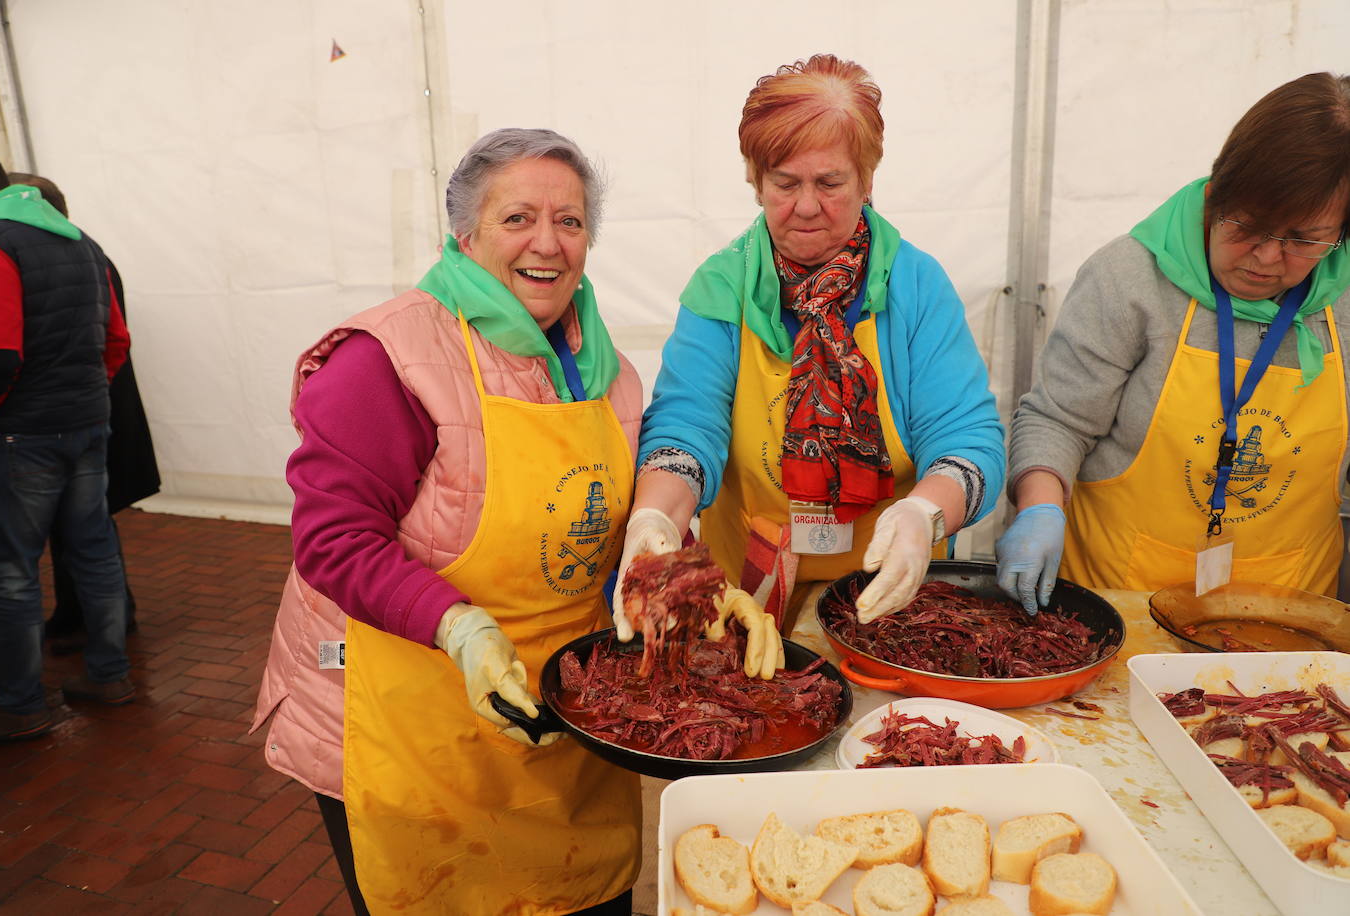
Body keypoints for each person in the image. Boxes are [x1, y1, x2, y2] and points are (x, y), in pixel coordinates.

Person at [251, 128, 644, 915]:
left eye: (570, 221)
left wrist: (664, 563)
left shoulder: (607, 368)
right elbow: (334, 541)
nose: (548, 242)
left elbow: (603, 517)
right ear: (463, 235)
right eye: (517, 218)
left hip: (557, 717)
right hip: (411, 720)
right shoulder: (387, 356)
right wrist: (460, 628)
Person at [617, 54, 1004, 638]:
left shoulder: (915, 287)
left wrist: (924, 516)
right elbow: (686, 425)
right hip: (745, 589)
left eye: (830, 183)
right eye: (785, 183)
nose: (805, 206)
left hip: (887, 593)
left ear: (868, 180)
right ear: (755, 181)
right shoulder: (722, 289)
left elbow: (967, 437)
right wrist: (655, 517)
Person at [996, 72, 1350, 612]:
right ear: (1216, 192)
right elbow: (1058, 419)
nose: (1266, 257)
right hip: (1114, 602)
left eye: (1303, 240)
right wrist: (1039, 510)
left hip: (1287, 615)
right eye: (1248, 225)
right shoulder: (1131, 278)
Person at [0, 150, 136, 746]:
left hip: (22, 433)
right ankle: (110, 676)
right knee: (93, 555)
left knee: (11, 571)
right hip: (87, 423)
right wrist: (87, 399)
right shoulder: (81, 241)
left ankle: (19, 705)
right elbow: (115, 340)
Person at [4, 172, 160, 655]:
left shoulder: (73, 257)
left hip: (80, 411)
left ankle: (103, 621)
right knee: (81, 525)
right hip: (91, 407)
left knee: (84, 526)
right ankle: (86, 617)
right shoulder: (87, 253)